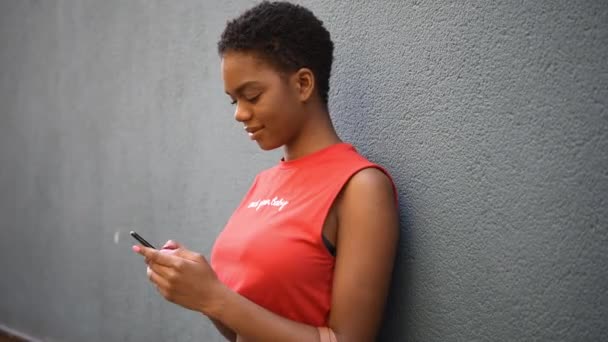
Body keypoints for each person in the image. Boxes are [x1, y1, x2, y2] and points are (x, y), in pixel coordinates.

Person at [133, 1, 399, 341]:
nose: (240, 114)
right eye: (234, 100)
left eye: (252, 95)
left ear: (303, 84)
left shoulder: (360, 187)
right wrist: (199, 292)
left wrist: (215, 296)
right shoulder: (265, 183)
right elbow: (243, 327)